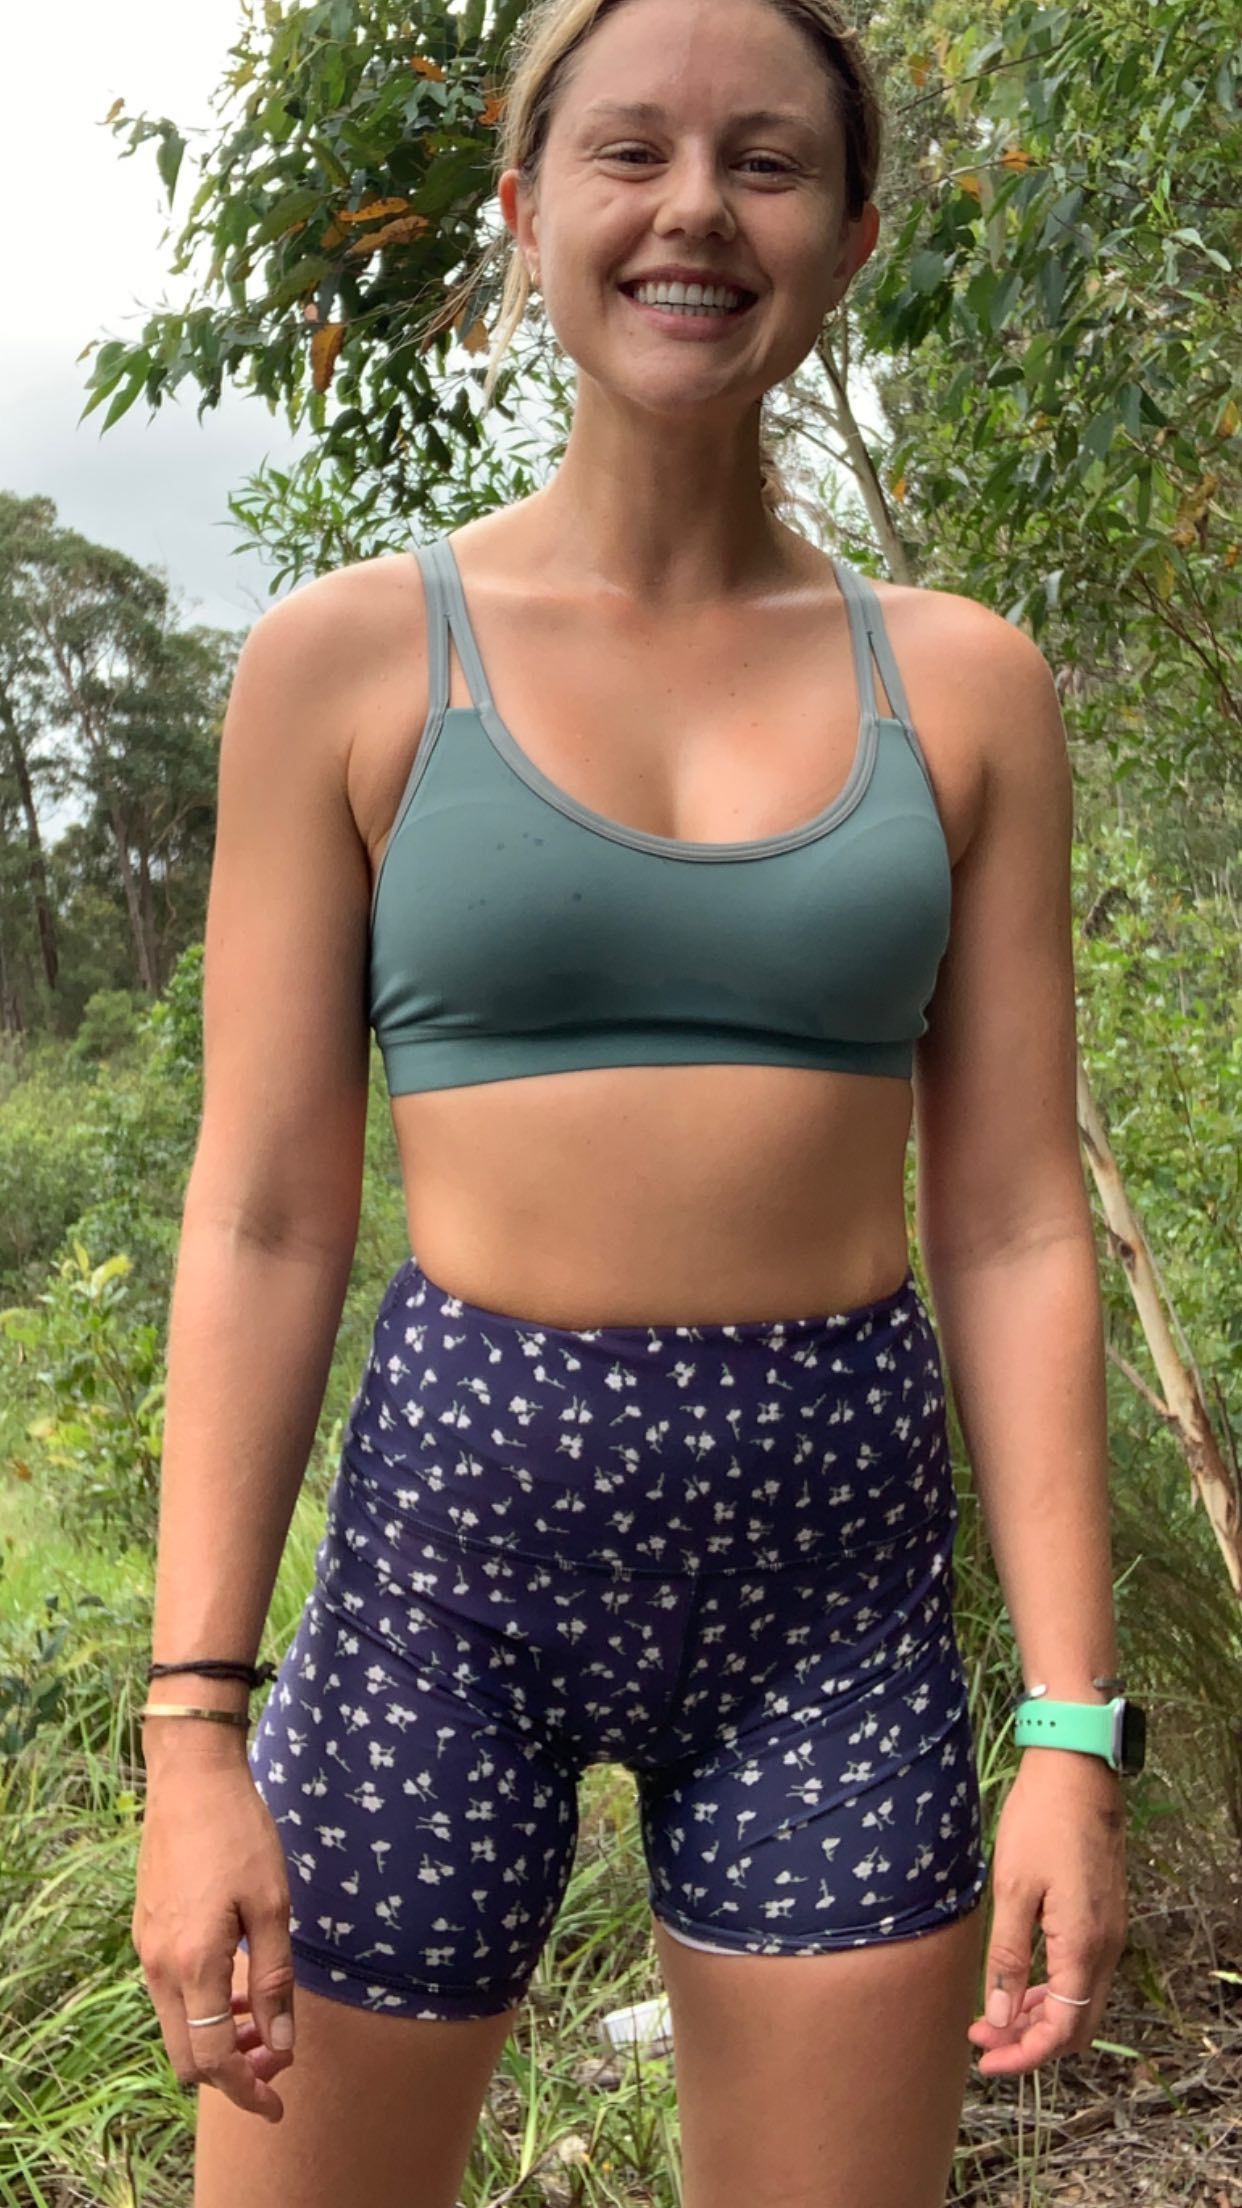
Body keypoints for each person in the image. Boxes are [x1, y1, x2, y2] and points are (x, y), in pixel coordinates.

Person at [132, 1, 1130, 2202]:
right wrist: (192, 1733)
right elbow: (266, 1215)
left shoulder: (962, 687)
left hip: (832, 1602)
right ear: (523, 212)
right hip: (442, 1579)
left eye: (766, 161)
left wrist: (1071, 1729)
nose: (696, 209)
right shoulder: (347, 664)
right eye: (629, 153)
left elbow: (1012, 1224)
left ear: (852, 238)